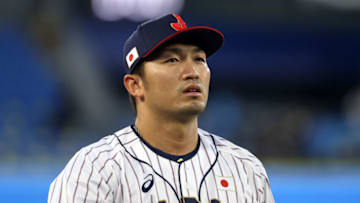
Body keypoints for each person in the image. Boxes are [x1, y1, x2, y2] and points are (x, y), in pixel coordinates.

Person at [48, 13, 275, 203]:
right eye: (172, 60)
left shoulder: (245, 169)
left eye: (200, 59)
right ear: (135, 85)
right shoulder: (95, 170)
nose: (192, 72)